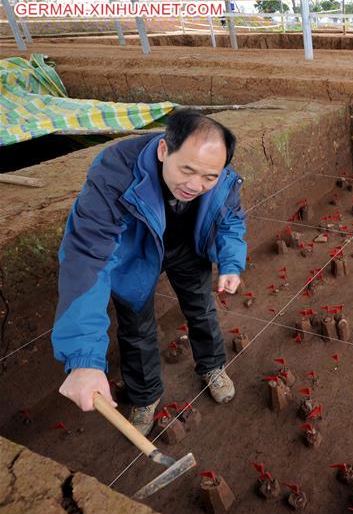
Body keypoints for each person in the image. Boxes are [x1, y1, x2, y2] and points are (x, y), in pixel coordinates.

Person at [52, 109, 247, 435]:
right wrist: (84, 358)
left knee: (201, 308)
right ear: (163, 150)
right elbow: (87, 259)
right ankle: (145, 396)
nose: (195, 185)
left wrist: (231, 262)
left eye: (208, 177)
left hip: (187, 249)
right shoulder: (114, 175)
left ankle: (212, 366)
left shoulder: (220, 176)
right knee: (136, 327)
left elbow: (230, 220)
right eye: (187, 170)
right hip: (136, 254)